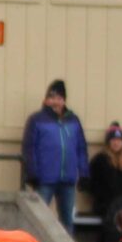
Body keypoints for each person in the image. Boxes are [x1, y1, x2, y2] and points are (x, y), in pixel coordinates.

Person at [20, 79, 88, 233]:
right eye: (52, 97)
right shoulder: (36, 120)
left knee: (67, 221)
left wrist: (83, 173)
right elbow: (29, 148)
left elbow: (81, 148)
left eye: (59, 98)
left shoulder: (74, 120)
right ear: (46, 100)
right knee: (38, 219)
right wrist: (32, 173)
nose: (55, 102)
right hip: (44, 179)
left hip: (68, 180)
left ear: (64, 101)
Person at [89, 123, 122, 222]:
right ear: (108, 142)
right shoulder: (100, 160)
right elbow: (91, 183)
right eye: (113, 140)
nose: (116, 143)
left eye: (119, 140)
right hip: (105, 205)